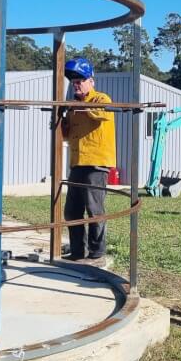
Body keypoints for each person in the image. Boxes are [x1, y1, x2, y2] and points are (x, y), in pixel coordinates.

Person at [60, 56, 116, 266]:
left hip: (96, 163)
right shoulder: (74, 106)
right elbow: (67, 133)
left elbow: (99, 115)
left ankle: (96, 252)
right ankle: (77, 251)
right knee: (72, 210)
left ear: (91, 81)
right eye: (74, 82)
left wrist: (76, 105)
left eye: (80, 81)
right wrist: (60, 119)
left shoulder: (101, 99)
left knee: (94, 209)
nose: (77, 85)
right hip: (77, 162)